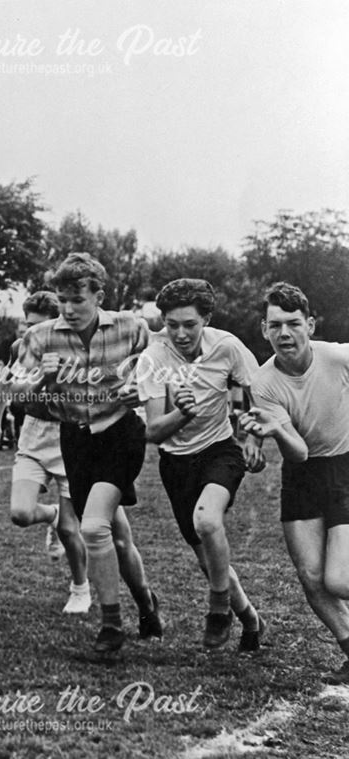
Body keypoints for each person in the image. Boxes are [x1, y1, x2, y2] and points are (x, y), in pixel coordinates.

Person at [12, 253, 162, 655]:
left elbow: (164, 365)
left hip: (120, 436)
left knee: (93, 528)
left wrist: (142, 388)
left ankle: (111, 624)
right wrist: (42, 378)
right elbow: (12, 396)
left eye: (78, 299)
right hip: (75, 440)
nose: (68, 308)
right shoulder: (41, 336)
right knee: (117, 535)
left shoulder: (132, 327)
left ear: (99, 294)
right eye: (62, 299)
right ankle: (147, 603)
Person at [139, 278, 264, 651]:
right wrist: (181, 413)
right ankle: (251, 620)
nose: (179, 333)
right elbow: (153, 432)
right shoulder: (153, 359)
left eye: (189, 324)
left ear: (205, 319)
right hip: (175, 463)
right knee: (208, 560)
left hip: (220, 449)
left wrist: (254, 437)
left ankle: (218, 609)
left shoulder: (227, 347)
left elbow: (255, 394)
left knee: (207, 519)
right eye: (171, 324)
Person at [239, 282, 349, 683]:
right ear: (264, 330)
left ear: (311, 326)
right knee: (312, 577)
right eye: (275, 325)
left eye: (293, 323)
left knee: (340, 578)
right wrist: (271, 429)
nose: (284, 333)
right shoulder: (264, 383)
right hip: (302, 474)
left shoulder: (337, 357)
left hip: (346, 468)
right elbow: (298, 453)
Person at [1, 291, 91, 615]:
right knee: (20, 513)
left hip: (69, 436)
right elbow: (14, 393)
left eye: (38, 325)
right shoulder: (20, 349)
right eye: (27, 325)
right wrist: (42, 378)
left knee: (71, 529)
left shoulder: (78, 346)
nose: (31, 332)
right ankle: (50, 514)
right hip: (34, 433)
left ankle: (80, 588)